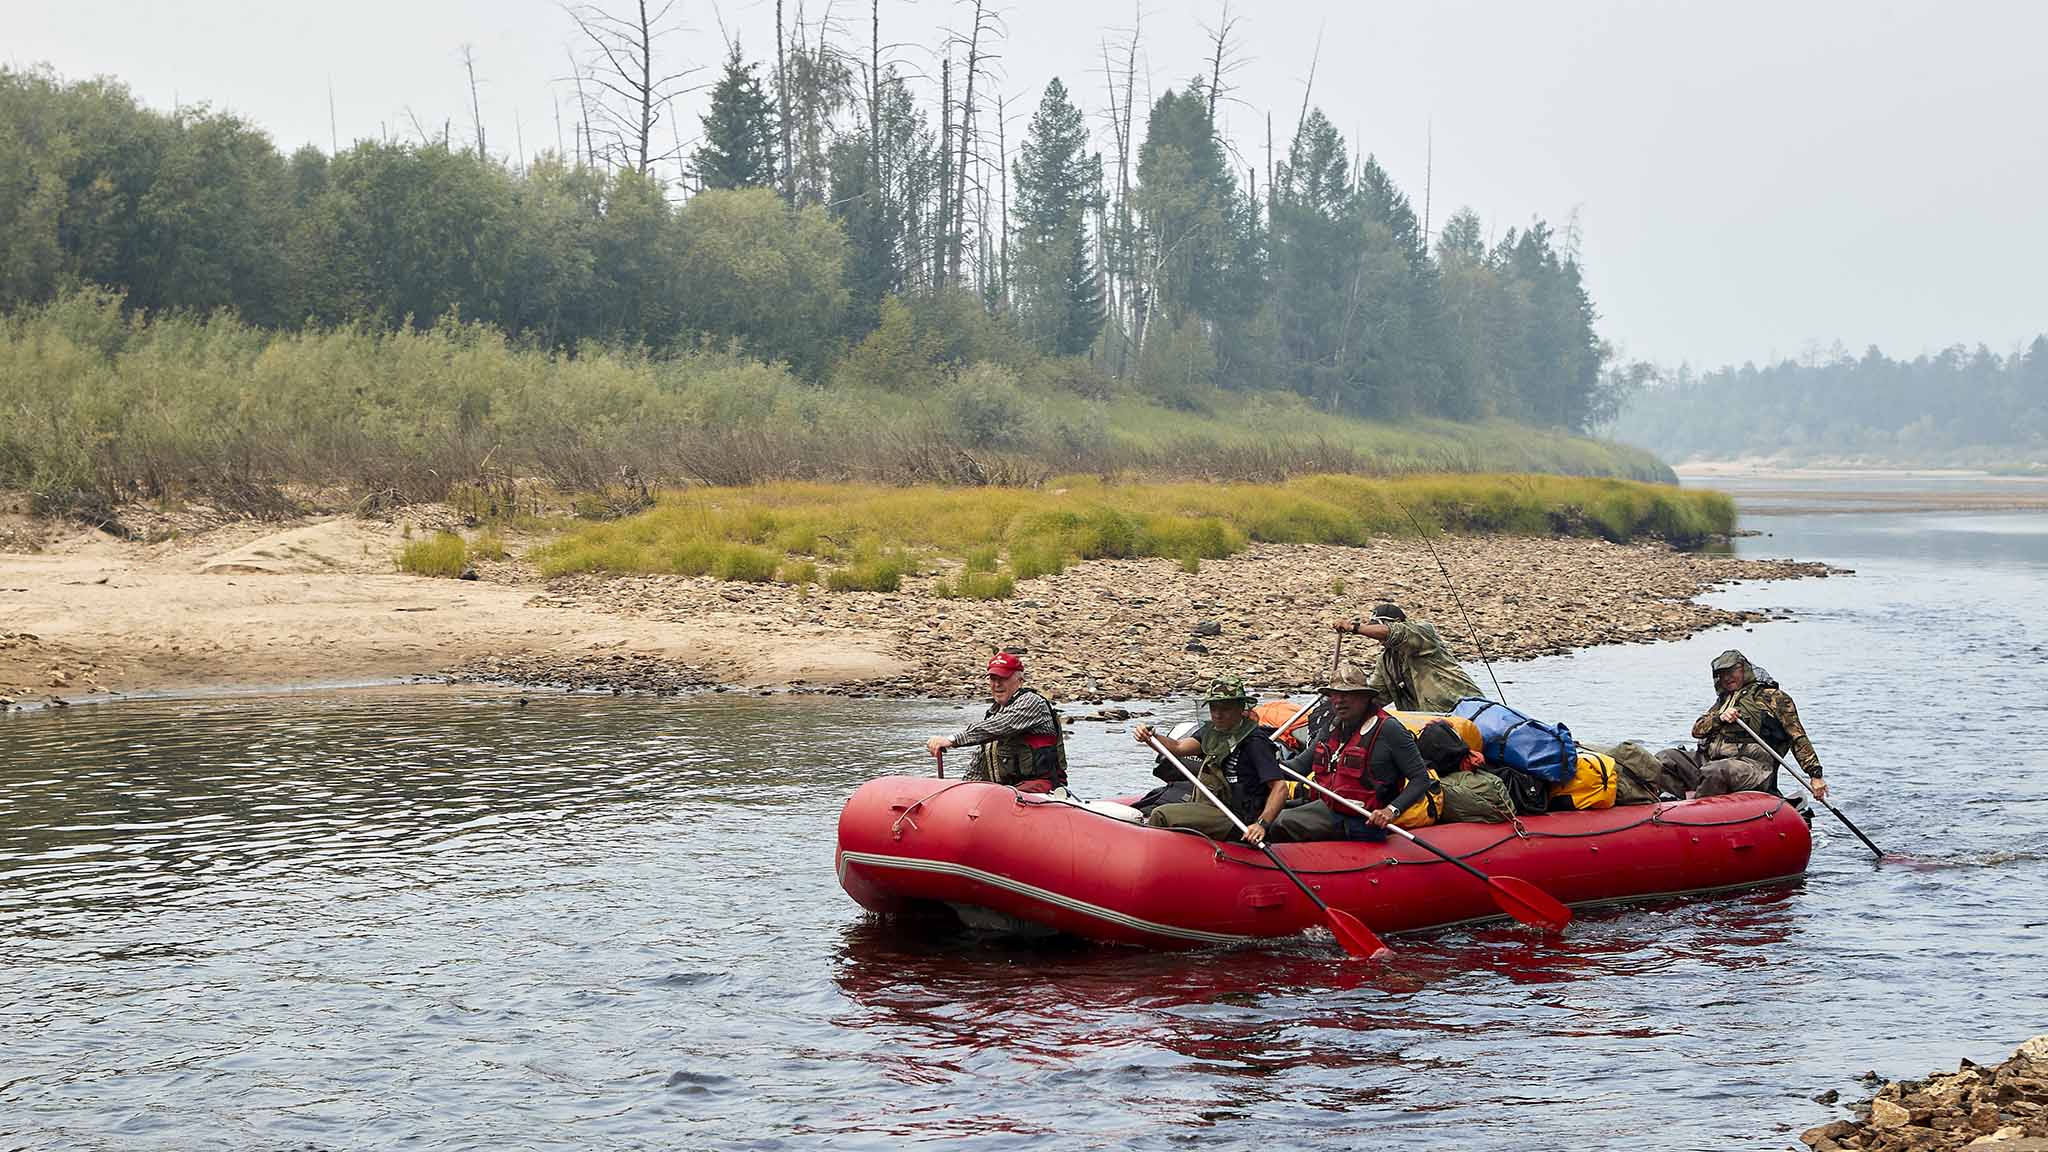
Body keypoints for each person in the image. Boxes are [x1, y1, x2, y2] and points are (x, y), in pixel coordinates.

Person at [1268, 661, 1440, 842]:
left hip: (1360, 820)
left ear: (1365, 697)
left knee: (1280, 822)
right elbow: (1299, 766)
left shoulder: (1389, 730)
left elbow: (1420, 778)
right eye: (1335, 695)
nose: (1339, 701)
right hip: (1327, 807)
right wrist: (1265, 766)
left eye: (1347, 694)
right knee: (1264, 809)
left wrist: (1390, 811)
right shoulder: (1332, 727)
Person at [1133, 677, 1290, 845]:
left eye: (1225, 709)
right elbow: (1178, 747)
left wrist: (1261, 824)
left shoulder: (1255, 742)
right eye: (1213, 708)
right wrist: (1151, 738)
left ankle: (1155, 855)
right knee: (1157, 808)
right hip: (1212, 806)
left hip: (1237, 818)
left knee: (1161, 814)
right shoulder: (1212, 732)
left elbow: (1280, 788)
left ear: (1240, 708)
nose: (1217, 715)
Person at [1666, 649, 1828, 800]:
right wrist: (1719, 718)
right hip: (1710, 762)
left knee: (1715, 771)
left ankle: (1699, 811)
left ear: (1744, 669)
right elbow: (1697, 731)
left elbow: (1797, 737)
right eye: (1722, 674)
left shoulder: (1773, 697)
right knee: (1666, 758)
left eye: (1732, 671)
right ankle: (1672, 806)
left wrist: (1815, 774)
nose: (1727, 678)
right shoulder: (1723, 701)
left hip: (1753, 767)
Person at [924, 651, 1068, 792]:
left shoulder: (1032, 702)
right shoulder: (993, 713)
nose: (997, 684)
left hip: (1040, 789)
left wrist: (952, 740)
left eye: (1003, 678)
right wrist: (964, 790)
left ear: (1020, 680)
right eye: (993, 679)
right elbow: (978, 763)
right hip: (1004, 792)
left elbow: (998, 726)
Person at [1330, 603, 1483, 713]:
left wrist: (1354, 628)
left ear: (1397, 623)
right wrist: (1342, 702)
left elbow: (1395, 633)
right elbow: (1375, 698)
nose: (1376, 637)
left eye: (1377, 627)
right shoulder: (1385, 662)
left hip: (1465, 711)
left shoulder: (1423, 633)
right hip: (1430, 724)